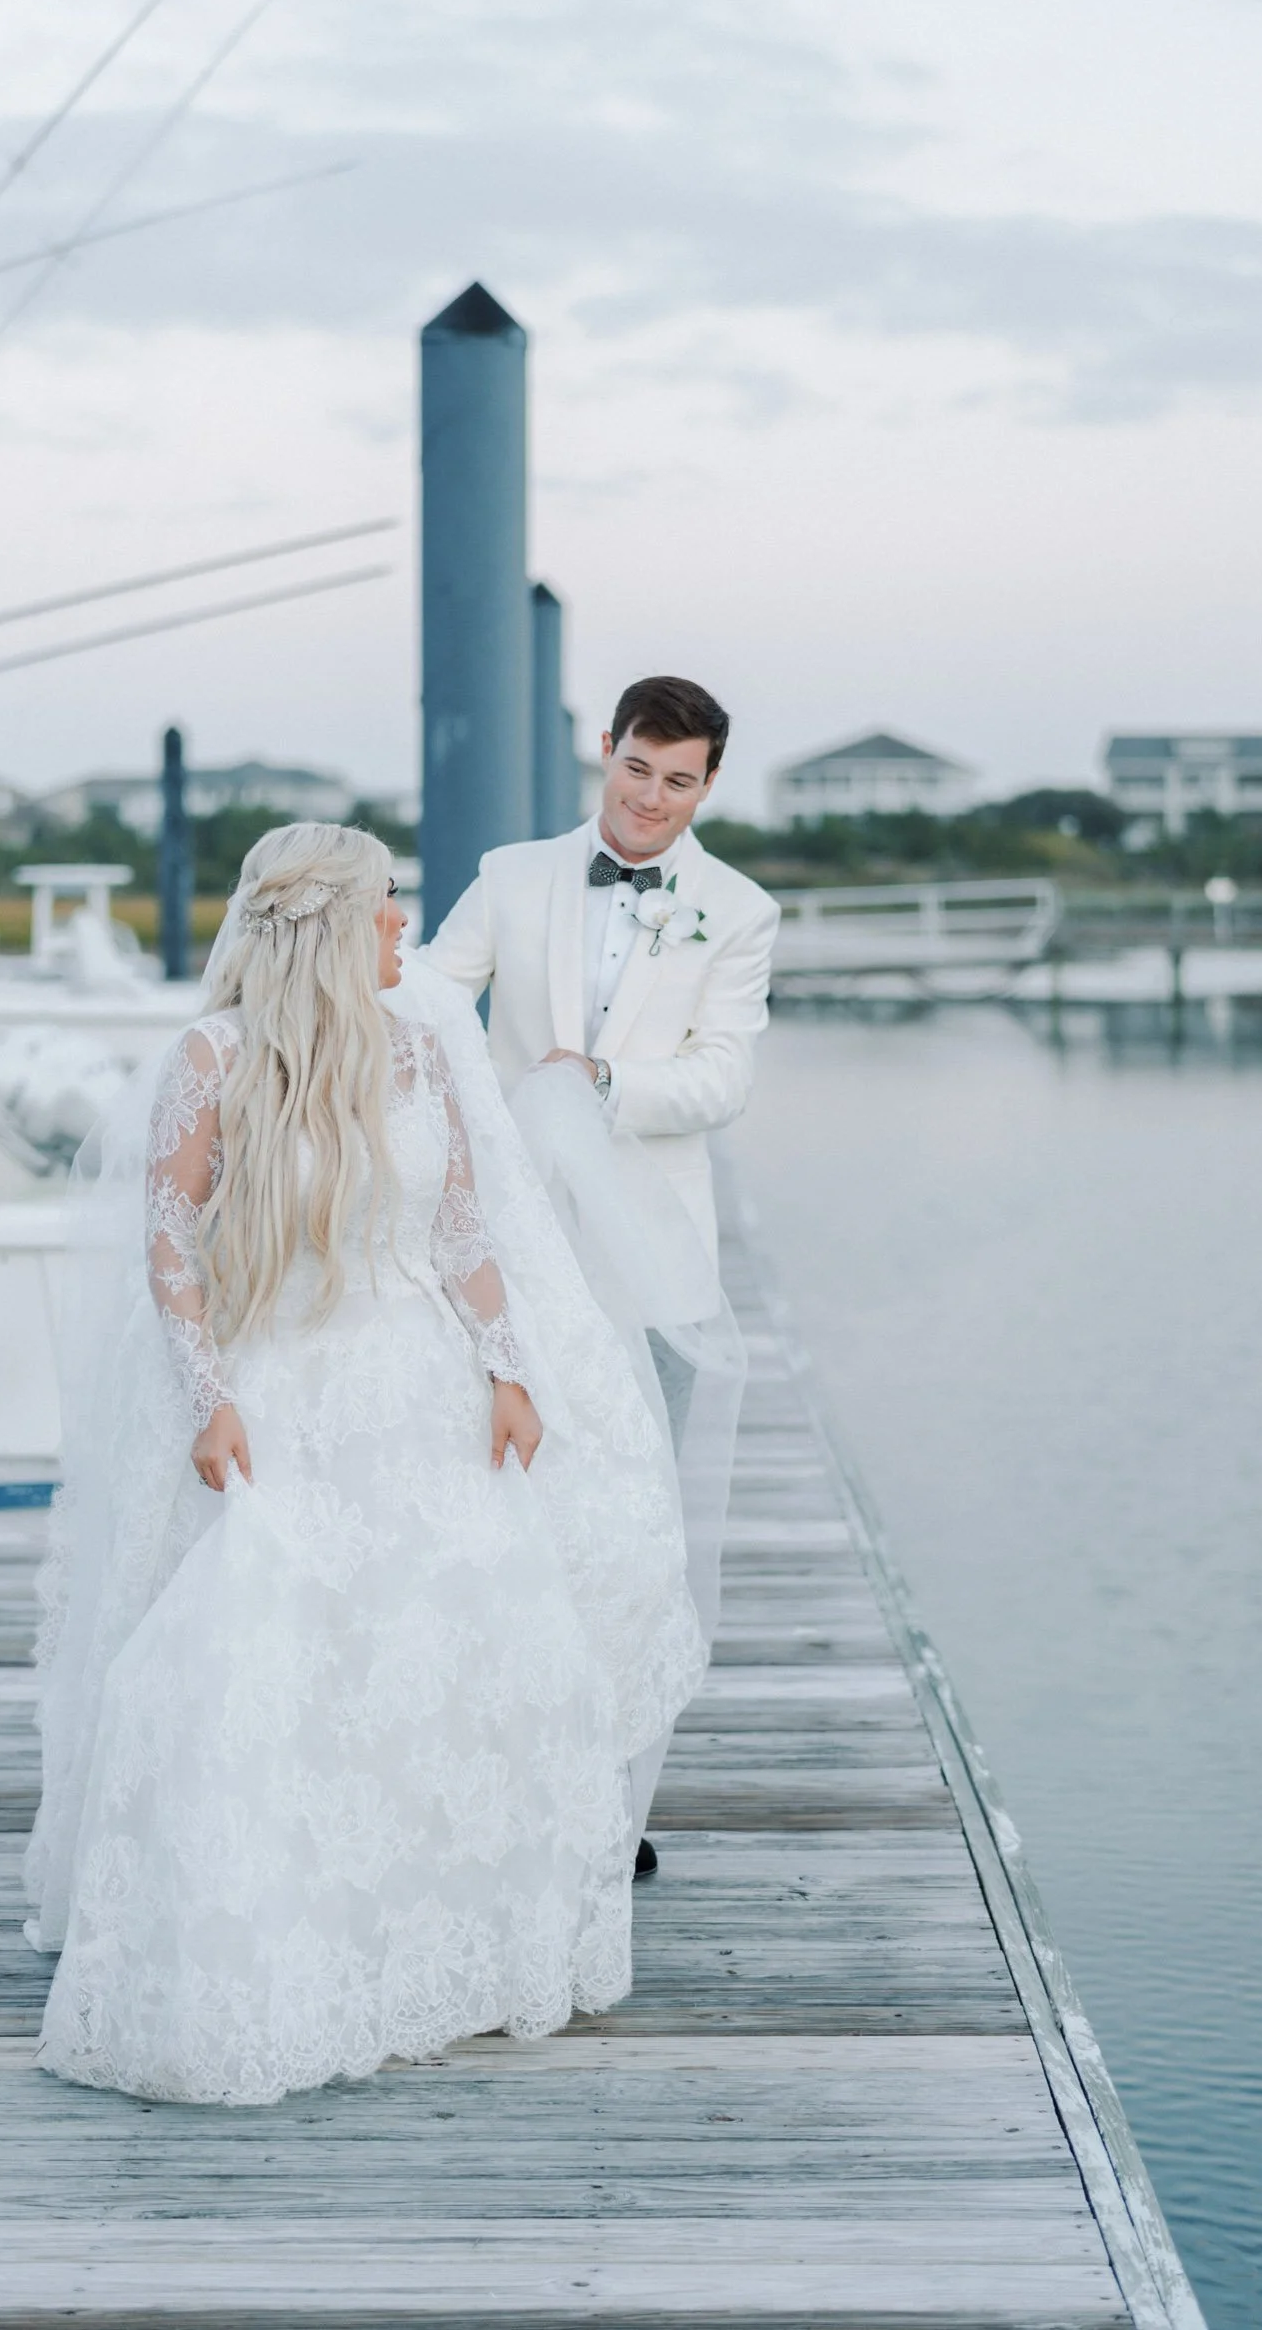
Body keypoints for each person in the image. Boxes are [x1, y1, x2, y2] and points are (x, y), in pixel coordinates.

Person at [28, 822, 704, 2107]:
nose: (405, 926)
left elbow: (461, 1227)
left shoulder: (416, 1048)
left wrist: (508, 1367)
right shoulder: (214, 1057)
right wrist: (209, 1402)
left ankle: (444, 1939)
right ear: (329, 923)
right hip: (281, 1386)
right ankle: (284, 1936)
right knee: (283, 1650)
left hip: (423, 1386)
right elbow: (171, 1246)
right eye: (388, 906)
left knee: (451, 1648)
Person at [424, 674, 781, 1865]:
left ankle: (612, 1801)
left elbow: (724, 1077)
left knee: (640, 1526)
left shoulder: (738, 910)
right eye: (638, 769)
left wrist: (605, 1086)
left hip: (652, 1256)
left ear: (709, 784)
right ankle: (504, 1780)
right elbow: (428, 999)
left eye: (680, 782)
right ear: (607, 751)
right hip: (515, 1244)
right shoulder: (513, 873)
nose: (651, 801)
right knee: (509, 1507)